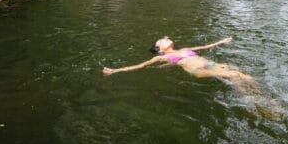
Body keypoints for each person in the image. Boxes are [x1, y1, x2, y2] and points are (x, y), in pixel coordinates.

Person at [102, 36, 258, 93]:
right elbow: (140, 66)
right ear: (161, 50)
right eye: (161, 41)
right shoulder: (164, 58)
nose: (164, 39)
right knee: (234, 75)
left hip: (210, 64)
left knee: (244, 74)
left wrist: (222, 41)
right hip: (198, 70)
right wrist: (115, 70)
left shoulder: (185, 49)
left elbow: (205, 47)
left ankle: (260, 96)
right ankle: (251, 100)